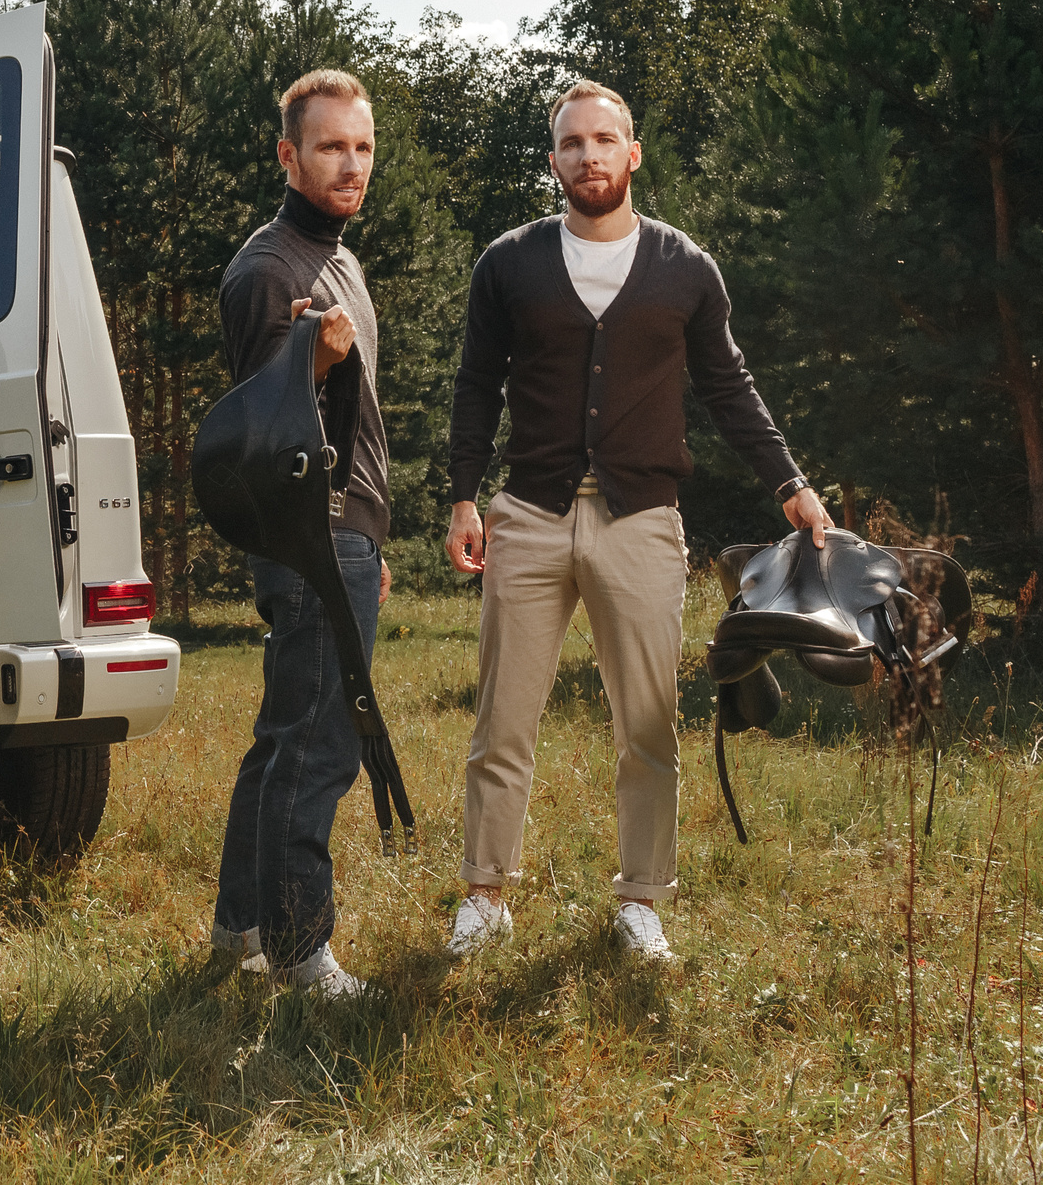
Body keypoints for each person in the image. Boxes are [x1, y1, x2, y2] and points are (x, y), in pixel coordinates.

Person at [442, 80, 831, 963]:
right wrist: (465, 495)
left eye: (604, 139)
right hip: (529, 515)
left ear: (633, 153)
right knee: (503, 719)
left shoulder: (684, 267)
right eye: (571, 143)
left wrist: (792, 486)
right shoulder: (508, 262)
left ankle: (642, 901)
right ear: (554, 161)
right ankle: (483, 894)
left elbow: (730, 387)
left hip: (644, 520)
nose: (588, 155)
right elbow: (476, 385)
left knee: (648, 724)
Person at [208, 68, 395, 1000]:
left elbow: (351, 418)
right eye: (330, 147)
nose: (350, 165)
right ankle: (297, 947)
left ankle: (239, 925)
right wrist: (301, 359)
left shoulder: (339, 260)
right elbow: (260, 438)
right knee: (322, 745)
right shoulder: (269, 269)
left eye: (362, 148)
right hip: (307, 538)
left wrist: (371, 535)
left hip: (345, 534)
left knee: (284, 733)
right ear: (288, 154)